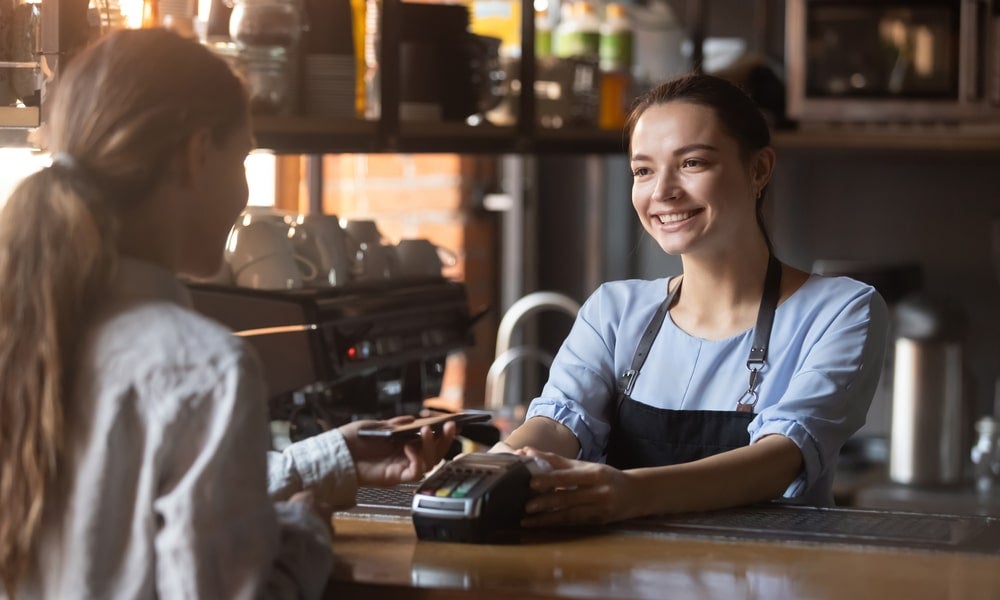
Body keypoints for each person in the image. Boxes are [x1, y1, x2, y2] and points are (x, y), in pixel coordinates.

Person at [0, 28, 454, 599]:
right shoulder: (207, 368)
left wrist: (327, 459)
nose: (243, 191)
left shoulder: (24, 329)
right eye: (242, 157)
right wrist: (305, 535)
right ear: (196, 155)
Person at [494, 74, 888, 526]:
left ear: (759, 169)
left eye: (692, 163)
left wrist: (631, 493)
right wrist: (494, 466)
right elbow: (558, 423)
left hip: (770, 567)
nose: (662, 192)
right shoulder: (613, 311)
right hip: (624, 568)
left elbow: (781, 458)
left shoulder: (840, 310)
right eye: (643, 171)